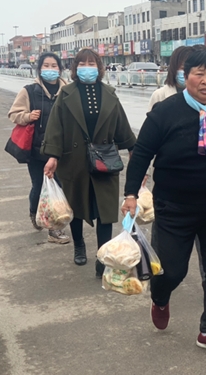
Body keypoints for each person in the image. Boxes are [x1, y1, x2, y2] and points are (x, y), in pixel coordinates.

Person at [122, 50, 206, 356]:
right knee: (170, 271)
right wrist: (131, 195)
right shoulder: (164, 112)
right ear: (186, 77)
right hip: (173, 207)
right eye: (199, 74)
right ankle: (160, 298)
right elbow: (141, 154)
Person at [41, 49, 137, 277]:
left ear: (99, 67)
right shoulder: (66, 94)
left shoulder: (110, 94)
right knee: (76, 207)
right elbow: (55, 128)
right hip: (74, 161)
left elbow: (122, 127)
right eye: (82, 63)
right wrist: (53, 156)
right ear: (75, 67)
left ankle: (103, 256)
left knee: (105, 210)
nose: (87, 67)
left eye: (91, 63)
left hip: (105, 160)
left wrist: (134, 153)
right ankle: (79, 246)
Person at [8, 52, 70, 244]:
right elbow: (13, 114)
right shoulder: (29, 91)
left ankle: (54, 228)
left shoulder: (69, 91)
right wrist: (27, 116)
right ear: (40, 69)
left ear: (60, 69)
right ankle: (34, 211)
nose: (50, 69)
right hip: (37, 150)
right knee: (39, 186)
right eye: (46, 66)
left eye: (54, 66)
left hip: (61, 150)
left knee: (59, 186)